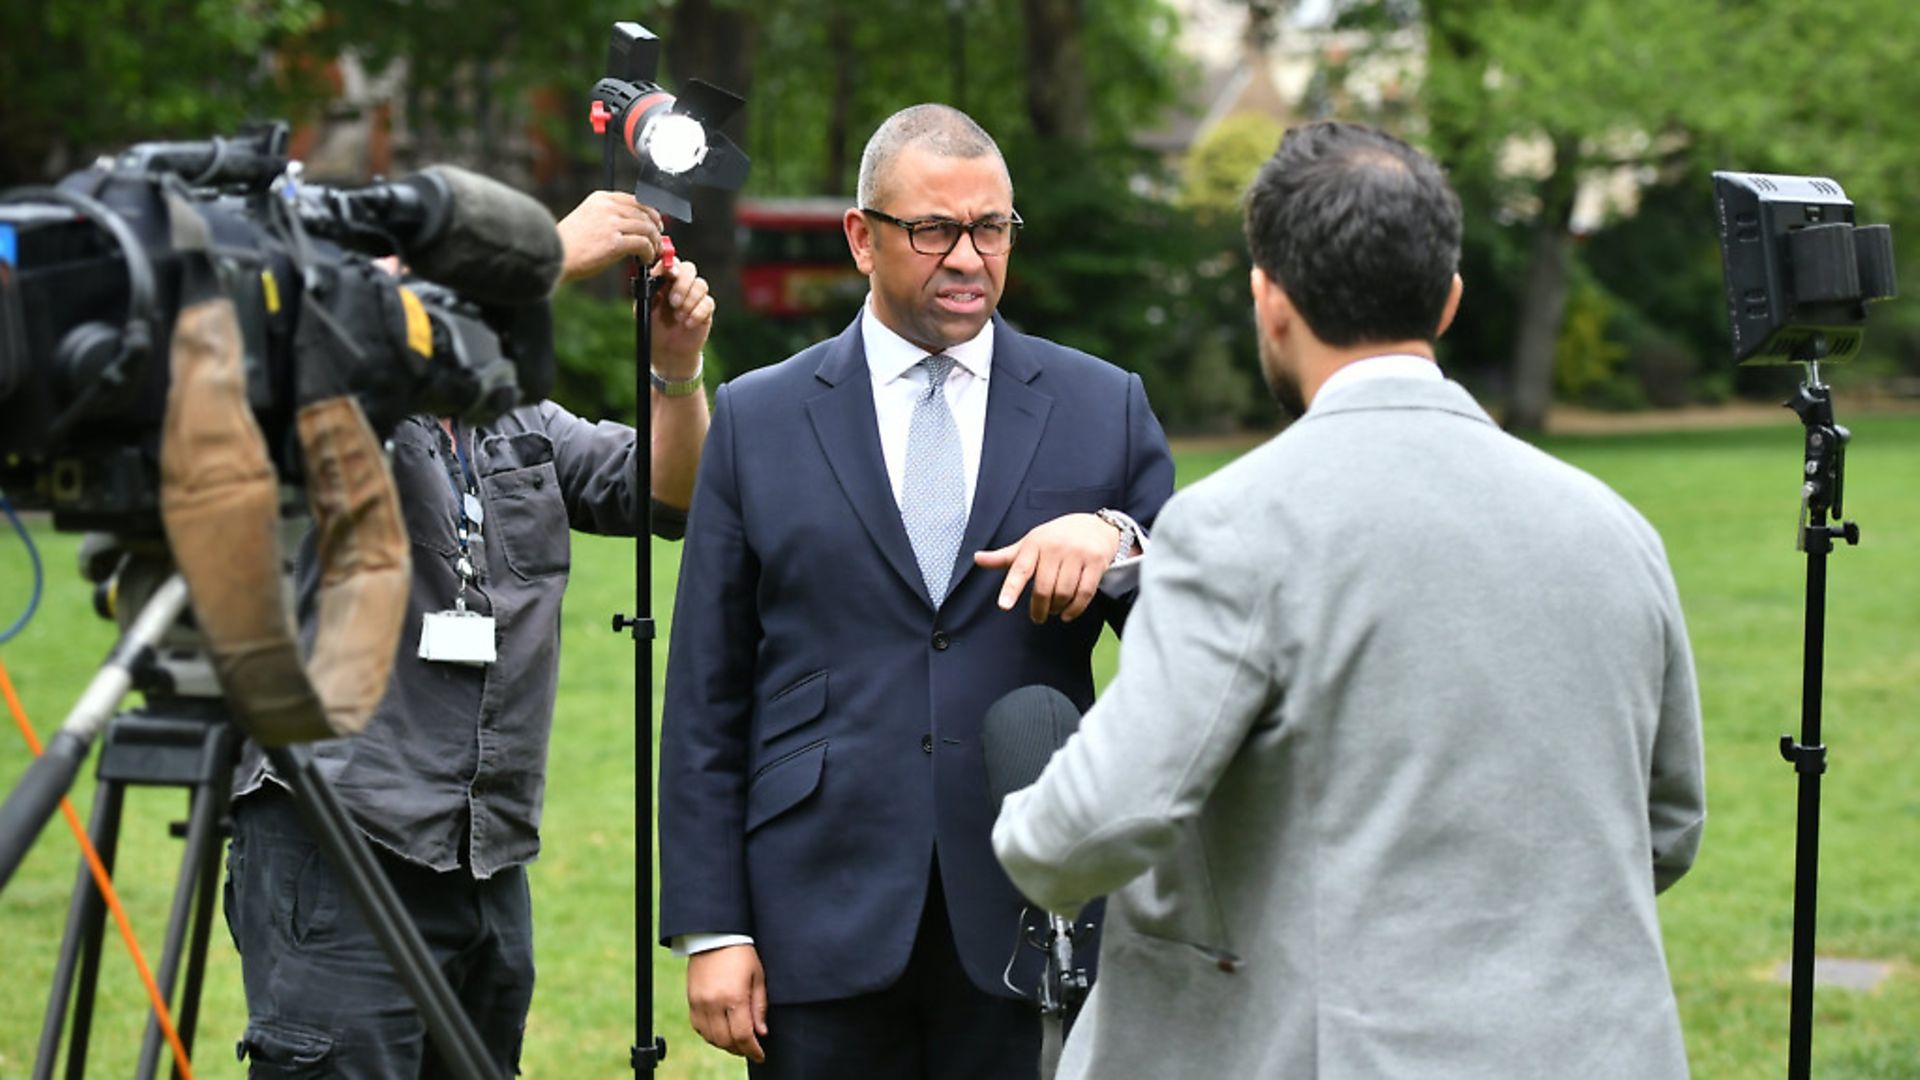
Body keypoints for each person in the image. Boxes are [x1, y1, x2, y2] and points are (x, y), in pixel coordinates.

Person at [992, 120, 1707, 1080]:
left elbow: (1094, 828)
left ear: (1270, 299)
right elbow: (1666, 825)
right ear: (1448, 302)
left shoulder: (1236, 527)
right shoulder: (1617, 528)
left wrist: (1024, 825)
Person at [658, 103, 1175, 1079]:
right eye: (934, 229)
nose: (969, 257)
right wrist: (711, 926)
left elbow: (1196, 630)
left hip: (1035, 909)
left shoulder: (1103, 404)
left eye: (992, 229)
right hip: (817, 915)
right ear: (862, 237)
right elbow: (705, 693)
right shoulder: (758, 417)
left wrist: (1118, 537)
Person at [223, 188, 713, 1076]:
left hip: (484, 856)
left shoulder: (515, 416)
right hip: (339, 840)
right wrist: (546, 258)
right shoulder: (334, 399)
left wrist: (674, 370)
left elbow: (665, 494)